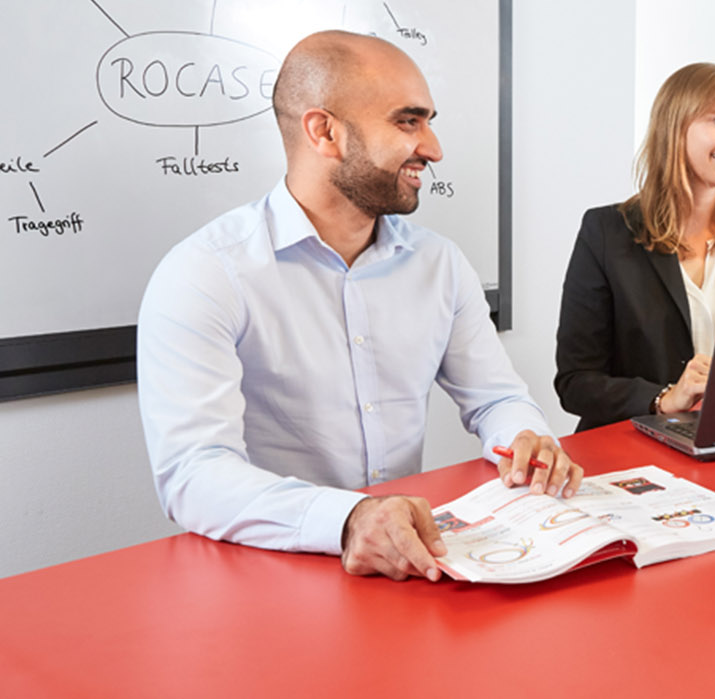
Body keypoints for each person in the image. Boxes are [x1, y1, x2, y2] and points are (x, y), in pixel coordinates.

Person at [136, 31, 582, 583]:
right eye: (408, 122)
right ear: (324, 132)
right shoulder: (206, 273)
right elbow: (193, 475)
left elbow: (497, 398)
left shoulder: (439, 264)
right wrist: (348, 519)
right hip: (271, 575)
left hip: (407, 566)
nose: (434, 148)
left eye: (428, 122)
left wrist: (523, 438)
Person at [555, 62, 715, 431]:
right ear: (675, 128)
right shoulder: (606, 233)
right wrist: (664, 398)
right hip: (638, 446)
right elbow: (575, 382)